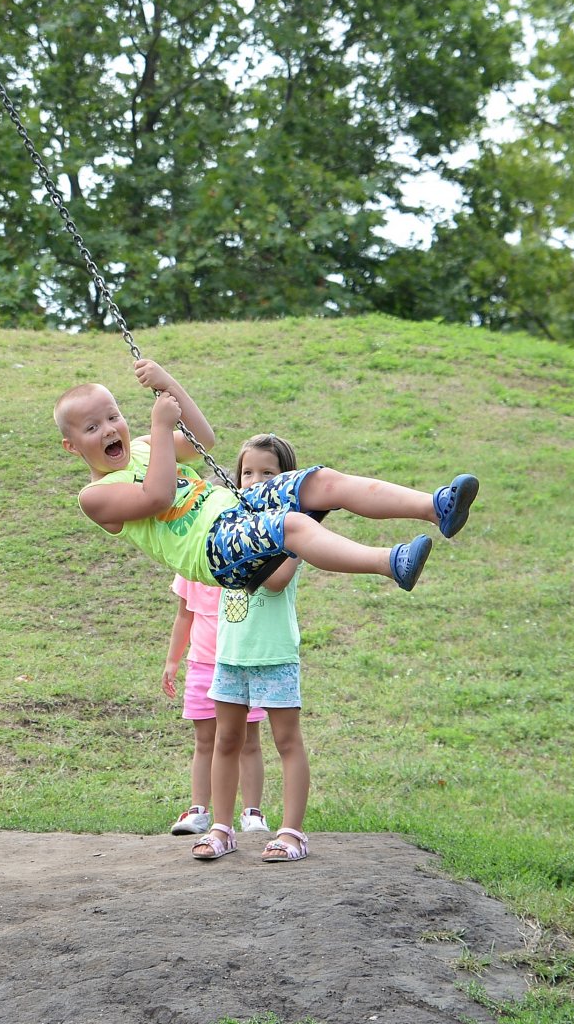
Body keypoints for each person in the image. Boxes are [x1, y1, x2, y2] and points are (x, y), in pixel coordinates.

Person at [54, 358, 478, 594]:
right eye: (93, 428)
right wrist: (163, 427)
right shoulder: (96, 496)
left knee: (320, 482)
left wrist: (170, 384)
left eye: (113, 416)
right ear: (72, 446)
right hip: (212, 549)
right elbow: (158, 497)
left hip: (236, 506)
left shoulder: (147, 445)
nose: (110, 429)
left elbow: (204, 438)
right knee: (291, 525)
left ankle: (435, 506)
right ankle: (391, 563)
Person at [192, 434, 314, 862]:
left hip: (274, 656)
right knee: (226, 740)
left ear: (286, 482)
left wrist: (237, 554)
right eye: (247, 473)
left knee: (286, 741)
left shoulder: (297, 529)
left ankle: (292, 833)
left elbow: (276, 579)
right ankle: (222, 829)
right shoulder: (232, 528)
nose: (255, 480)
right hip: (232, 655)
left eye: (268, 473)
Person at [161, 574, 268, 839]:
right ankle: (198, 810)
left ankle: (252, 812)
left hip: (243, 665)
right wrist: (172, 661)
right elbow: (184, 616)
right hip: (202, 666)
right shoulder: (188, 567)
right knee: (205, 741)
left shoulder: (246, 561)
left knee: (248, 742)